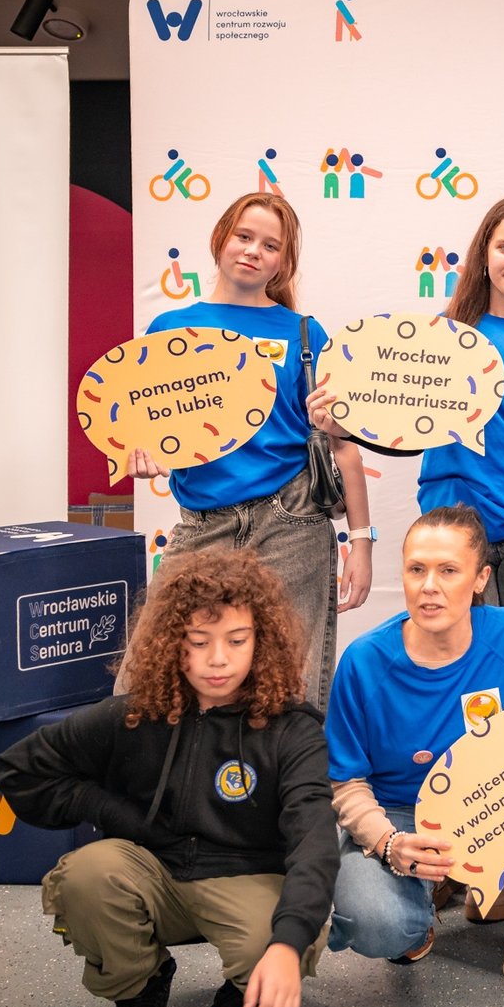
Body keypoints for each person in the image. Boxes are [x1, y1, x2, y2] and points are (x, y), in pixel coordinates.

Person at [0, 549, 338, 1007]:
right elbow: (19, 770)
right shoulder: (133, 715)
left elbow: (315, 841)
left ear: (261, 640)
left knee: (272, 944)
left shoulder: (293, 730)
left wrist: (288, 947)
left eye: (236, 640)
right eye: (198, 641)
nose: (217, 659)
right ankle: (141, 989)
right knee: (89, 874)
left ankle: (245, 983)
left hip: (245, 878)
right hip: (153, 875)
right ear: (172, 641)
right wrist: (109, 810)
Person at [323, 504, 504, 1007]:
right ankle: (429, 900)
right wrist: (389, 844)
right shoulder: (364, 661)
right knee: (379, 925)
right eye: (416, 569)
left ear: (480, 579)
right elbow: (345, 781)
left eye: (448, 570)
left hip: (497, 803)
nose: (429, 587)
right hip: (401, 815)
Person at [337, 194, 504, 657]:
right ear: (484, 254)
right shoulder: (443, 335)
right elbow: (409, 433)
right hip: (456, 529)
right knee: (464, 668)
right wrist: (347, 427)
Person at [128, 192, 372, 709]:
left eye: (270, 245)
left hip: (293, 521)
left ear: (284, 261)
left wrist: (362, 544)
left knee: (290, 689)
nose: (253, 251)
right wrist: (139, 452)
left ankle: (288, 767)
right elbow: (143, 425)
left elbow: (341, 446)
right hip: (204, 521)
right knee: (144, 685)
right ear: (221, 238)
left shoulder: (304, 333)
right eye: (244, 236)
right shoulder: (169, 329)